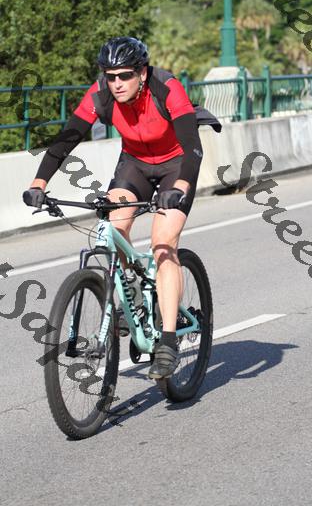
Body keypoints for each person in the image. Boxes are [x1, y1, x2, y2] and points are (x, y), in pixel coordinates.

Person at [22, 36, 204, 380]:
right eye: (110, 76)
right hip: (134, 164)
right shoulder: (101, 94)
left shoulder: (167, 88)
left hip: (176, 165)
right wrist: (39, 184)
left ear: (142, 73)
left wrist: (180, 187)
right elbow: (67, 138)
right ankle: (132, 295)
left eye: (124, 76)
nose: (117, 83)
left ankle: (167, 341)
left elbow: (193, 147)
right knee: (112, 228)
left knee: (163, 244)